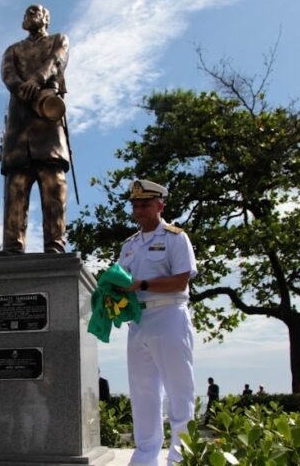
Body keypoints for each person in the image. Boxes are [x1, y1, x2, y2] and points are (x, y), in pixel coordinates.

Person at [117, 179, 198, 466]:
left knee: (179, 390)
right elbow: (120, 281)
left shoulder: (176, 238)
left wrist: (143, 284)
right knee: (143, 392)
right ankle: (145, 457)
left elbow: (181, 279)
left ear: (159, 205)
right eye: (135, 204)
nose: (139, 209)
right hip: (138, 321)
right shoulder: (128, 246)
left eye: (145, 204)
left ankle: (181, 457)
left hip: (169, 315)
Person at [0, 4, 71, 255]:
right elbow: (8, 75)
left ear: (46, 18)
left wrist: (36, 80)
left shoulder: (57, 40)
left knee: (53, 182)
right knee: (16, 185)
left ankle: (55, 243)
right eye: (26, 13)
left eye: (34, 12)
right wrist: (23, 89)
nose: (28, 16)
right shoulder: (13, 50)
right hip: (20, 124)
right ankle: (12, 245)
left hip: (47, 121)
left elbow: (56, 61)